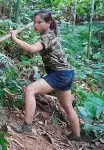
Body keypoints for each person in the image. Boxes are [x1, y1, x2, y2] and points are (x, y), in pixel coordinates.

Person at [9, 10, 81, 141]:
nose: (35, 25)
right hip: (67, 73)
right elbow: (32, 52)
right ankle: (76, 136)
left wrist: (14, 37)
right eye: (34, 22)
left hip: (60, 74)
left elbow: (31, 49)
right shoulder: (48, 35)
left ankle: (27, 127)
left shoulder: (47, 36)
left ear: (48, 23)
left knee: (30, 90)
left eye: (39, 22)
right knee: (68, 107)